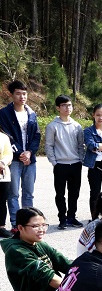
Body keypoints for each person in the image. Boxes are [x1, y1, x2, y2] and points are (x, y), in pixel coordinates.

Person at [0, 207, 71, 291]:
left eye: (44, 225)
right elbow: (51, 278)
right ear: (20, 228)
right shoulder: (16, 251)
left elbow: (66, 264)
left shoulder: (39, 243)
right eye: (35, 226)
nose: (41, 230)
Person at [0, 80, 40, 229]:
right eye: (18, 93)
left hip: (30, 160)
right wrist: (20, 154)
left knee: (29, 193)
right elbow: (7, 135)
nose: (22, 97)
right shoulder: (4, 113)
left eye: (24, 93)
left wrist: (30, 152)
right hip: (14, 160)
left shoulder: (31, 113)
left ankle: (29, 222)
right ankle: (16, 224)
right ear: (11, 95)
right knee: (13, 194)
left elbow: (37, 135)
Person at [45, 95, 85, 230]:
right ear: (58, 108)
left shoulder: (77, 126)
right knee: (60, 194)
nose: (68, 108)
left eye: (69, 105)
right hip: (60, 165)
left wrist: (80, 159)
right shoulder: (52, 126)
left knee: (74, 193)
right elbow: (49, 145)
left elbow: (81, 145)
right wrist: (54, 162)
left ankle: (71, 217)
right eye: (64, 105)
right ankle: (62, 218)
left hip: (76, 164)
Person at [0, 129, 12, 238]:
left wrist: (2, 162)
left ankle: (1, 227)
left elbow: (9, 154)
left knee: (1, 201)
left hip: (2, 175)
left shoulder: (3, 137)